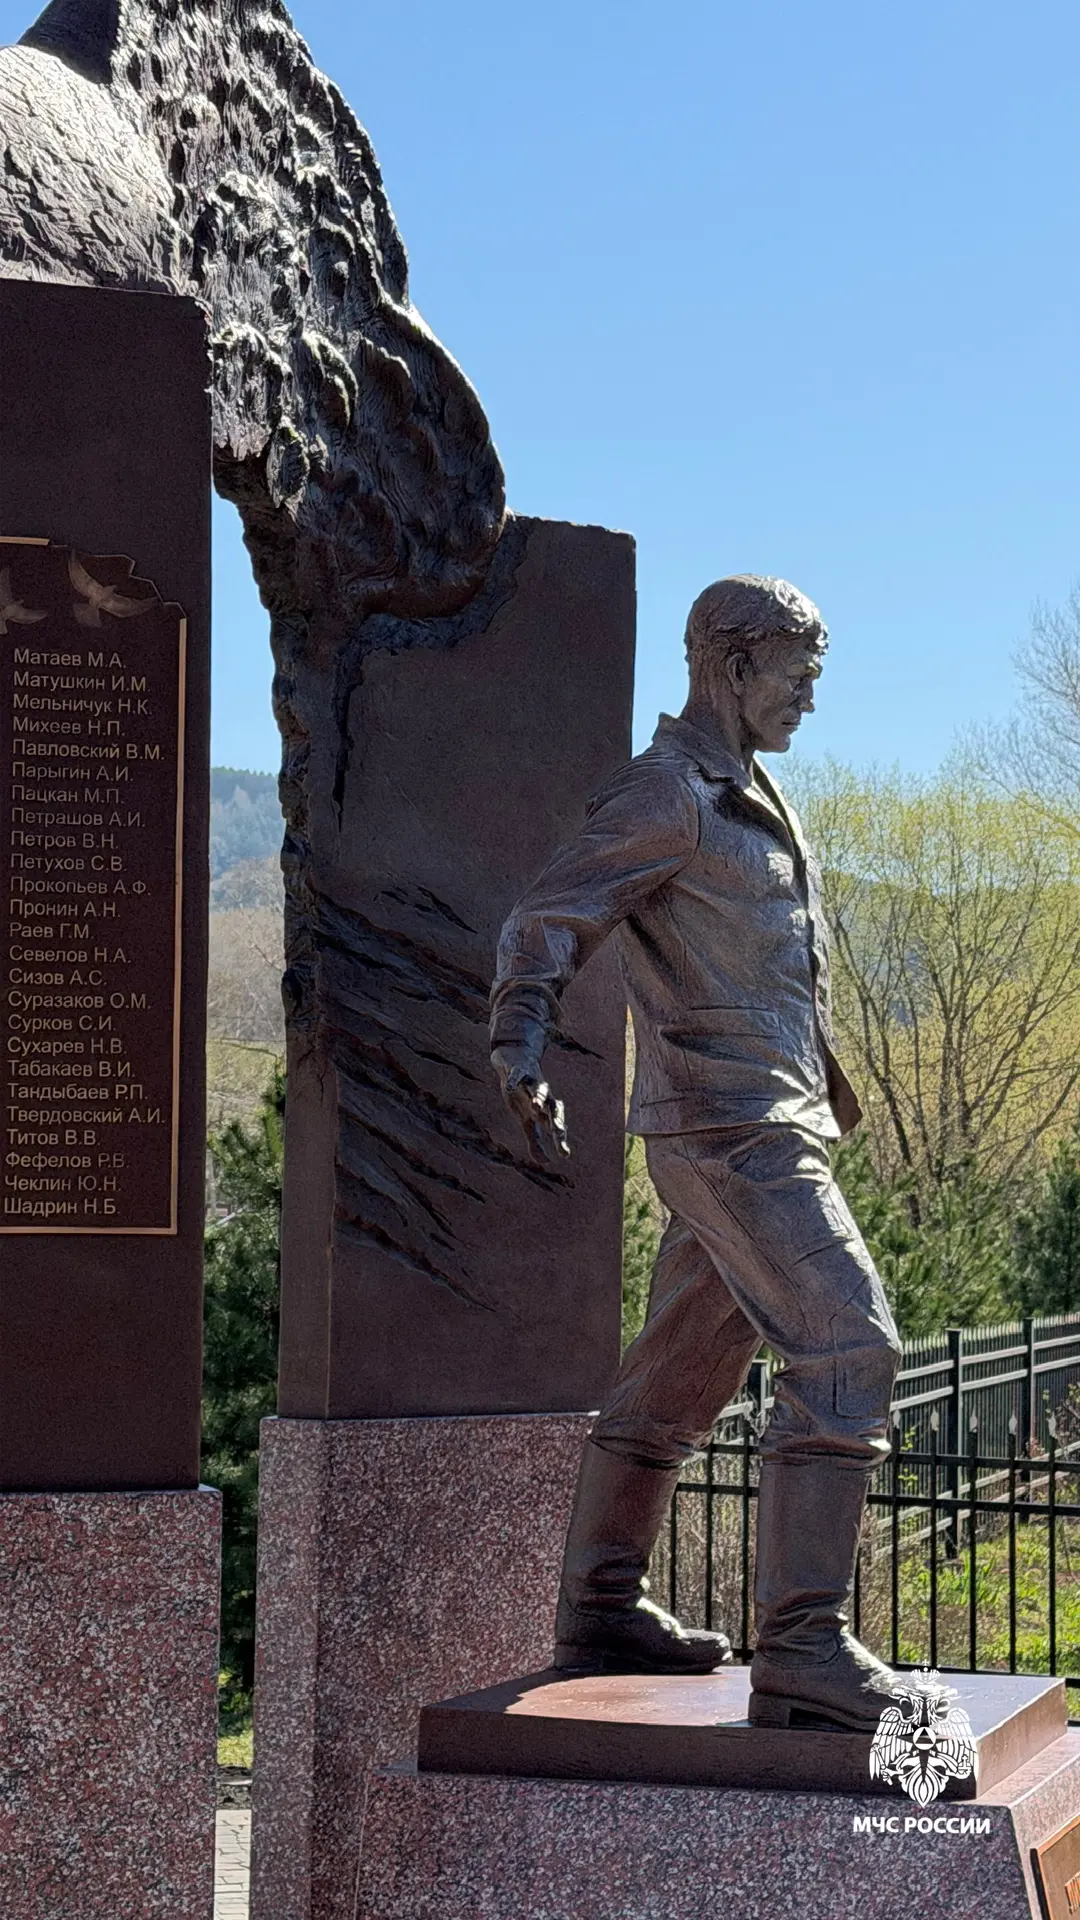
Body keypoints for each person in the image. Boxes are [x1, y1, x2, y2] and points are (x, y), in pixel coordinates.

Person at [489, 574, 902, 1731]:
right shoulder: (666, 793)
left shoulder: (749, 789)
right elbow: (547, 915)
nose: (809, 698)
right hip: (730, 1133)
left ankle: (599, 1608)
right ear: (733, 667)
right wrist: (518, 1042)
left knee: (675, 1382)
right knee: (852, 1349)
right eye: (798, 676)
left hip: (761, 1120)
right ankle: (805, 1648)